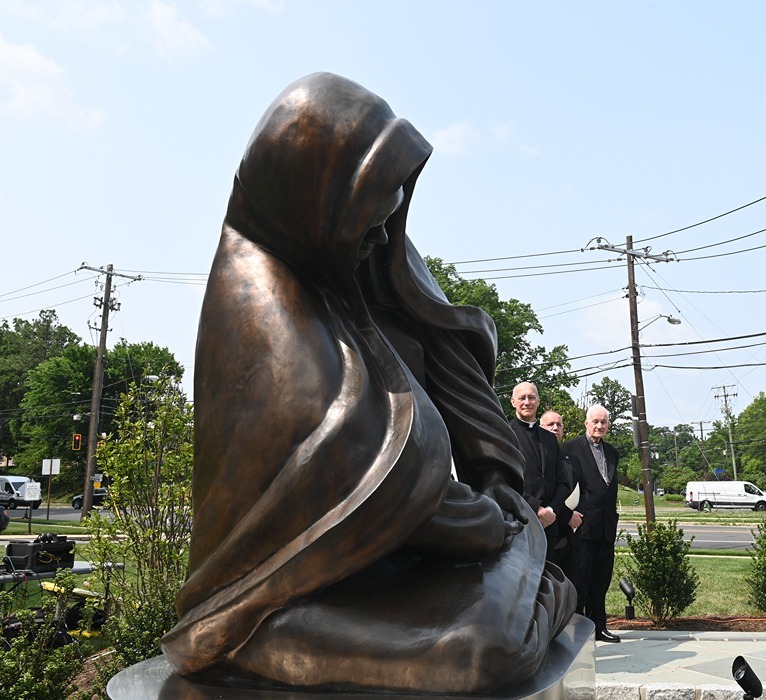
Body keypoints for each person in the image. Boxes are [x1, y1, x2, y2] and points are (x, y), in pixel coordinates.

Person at [161, 72, 574, 695]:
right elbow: (364, 474)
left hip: (402, 560)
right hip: (276, 595)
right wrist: (484, 525)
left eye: (390, 214)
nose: (385, 234)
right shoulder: (259, 309)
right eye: (371, 217)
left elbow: (452, 369)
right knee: (476, 653)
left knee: (493, 617)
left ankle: (522, 584)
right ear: (317, 204)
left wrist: (497, 478)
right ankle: (527, 588)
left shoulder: (366, 253)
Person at [561, 405, 621, 643]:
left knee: (601, 580)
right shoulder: (570, 449)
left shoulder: (612, 453)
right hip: (582, 526)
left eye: (603, 422)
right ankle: (578, 631)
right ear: (586, 423)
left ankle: (599, 627)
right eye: (595, 421)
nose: (599, 426)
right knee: (580, 580)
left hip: (606, 527)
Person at [509, 382, 569, 548]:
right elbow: (505, 479)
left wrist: (551, 510)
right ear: (513, 402)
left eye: (531, 397)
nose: (527, 402)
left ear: (538, 401)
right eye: (522, 398)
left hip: (549, 524)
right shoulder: (506, 434)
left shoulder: (549, 438)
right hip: (520, 519)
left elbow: (563, 481)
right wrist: (536, 508)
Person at [540, 410, 584, 579]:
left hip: (570, 536)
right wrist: (567, 515)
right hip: (546, 529)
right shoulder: (538, 457)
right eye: (550, 424)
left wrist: (577, 515)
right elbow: (543, 493)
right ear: (540, 427)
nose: (555, 428)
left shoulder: (571, 459)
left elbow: (583, 488)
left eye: (559, 425)